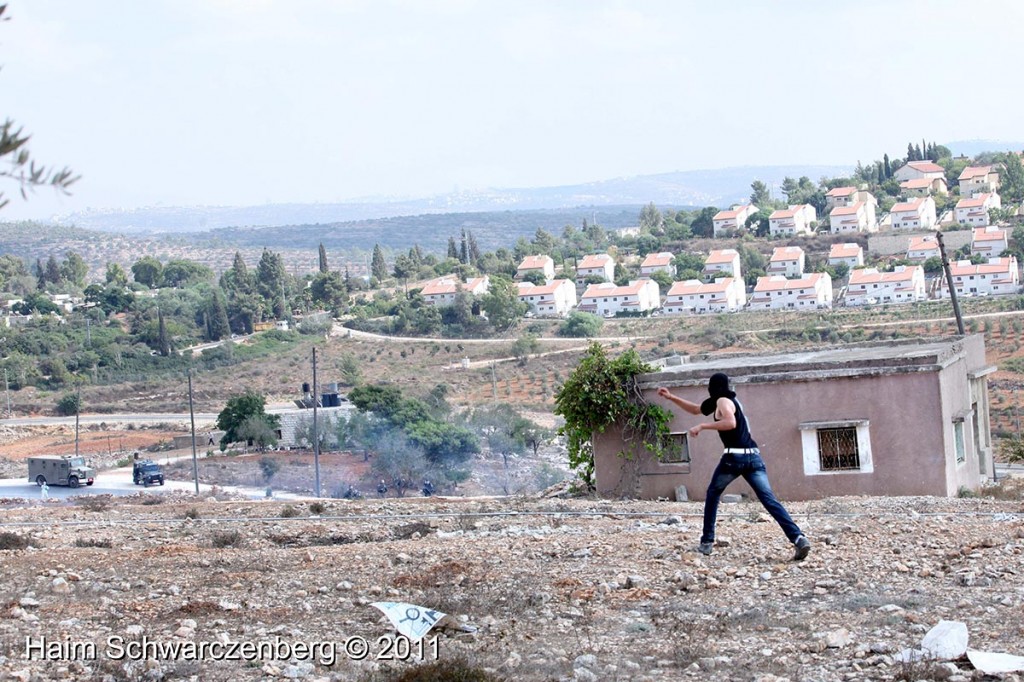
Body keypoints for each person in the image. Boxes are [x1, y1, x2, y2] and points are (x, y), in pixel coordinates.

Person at [655, 373, 811, 561]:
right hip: (753, 457)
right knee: (769, 500)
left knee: (713, 493)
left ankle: (706, 543)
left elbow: (730, 423)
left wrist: (703, 426)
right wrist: (671, 397)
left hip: (734, 457)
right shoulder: (727, 400)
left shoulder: (722, 401)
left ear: (712, 387)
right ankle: (798, 538)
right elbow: (696, 409)